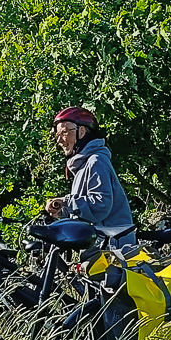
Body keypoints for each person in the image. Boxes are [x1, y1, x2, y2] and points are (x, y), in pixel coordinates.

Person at [44, 106, 136, 248]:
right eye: (57, 135)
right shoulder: (82, 167)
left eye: (64, 132)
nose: (60, 141)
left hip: (114, 251)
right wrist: (61, 210)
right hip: (102, 248)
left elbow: (100, 205)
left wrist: (66, 202)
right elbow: (85, 211)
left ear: (81, 131)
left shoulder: (96, 161)